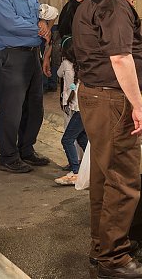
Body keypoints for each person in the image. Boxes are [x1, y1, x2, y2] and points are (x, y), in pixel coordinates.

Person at [72, 0, 142, 279]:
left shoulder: (92, 0)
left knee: (103, 176)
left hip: (95, 95)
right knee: (122, 179)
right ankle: (114, 258)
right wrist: (137, 105)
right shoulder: (115, 5)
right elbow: (120, 59)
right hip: (113, 101)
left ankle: (102, 244)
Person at [0, 0, 51, 173]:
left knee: (34, 106)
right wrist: (38, 28)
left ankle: (26, 149)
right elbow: (10, 22)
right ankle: (8, 156)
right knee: (12, 108)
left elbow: (36, 14)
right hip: (10, 56)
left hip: (31, 54)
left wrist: (42, 22)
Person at [42, 0, 95, 80]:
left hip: (91, 68)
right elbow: (61, 36)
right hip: (69, 65)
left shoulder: (96, 9)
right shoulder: (68, 8)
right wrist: (47, 56)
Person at [54, 36, 88, 186]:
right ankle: (93, 166)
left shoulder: (66, 64)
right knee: (82, 139)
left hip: (78, 110)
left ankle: (76, 171)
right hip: (85, 109)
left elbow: (58, 74)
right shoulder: (85, 66)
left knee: (67, 139)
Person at [39, 0, 63, 92]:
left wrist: (47, 30)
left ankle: (49, 84)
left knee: (49, 56)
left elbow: (54, 14)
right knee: (46, 56)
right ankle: (48, 83)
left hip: (52, 28)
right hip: (48, 28)